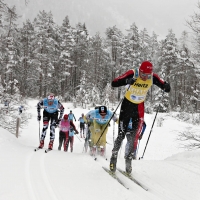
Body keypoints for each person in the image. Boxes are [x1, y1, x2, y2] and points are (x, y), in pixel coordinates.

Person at [110, 61, 171, 174]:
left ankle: (129, 159)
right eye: (143, 75)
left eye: (147, 76)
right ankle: (114, 155)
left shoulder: (153, 77)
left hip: (139, 107)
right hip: (127, 105)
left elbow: (165, 87)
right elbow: (114, 83)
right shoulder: (133, 73)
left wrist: (166, 86)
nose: (145, 78)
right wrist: (126, 81)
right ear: (140, 71)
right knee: (121, 133)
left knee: (134, 135)